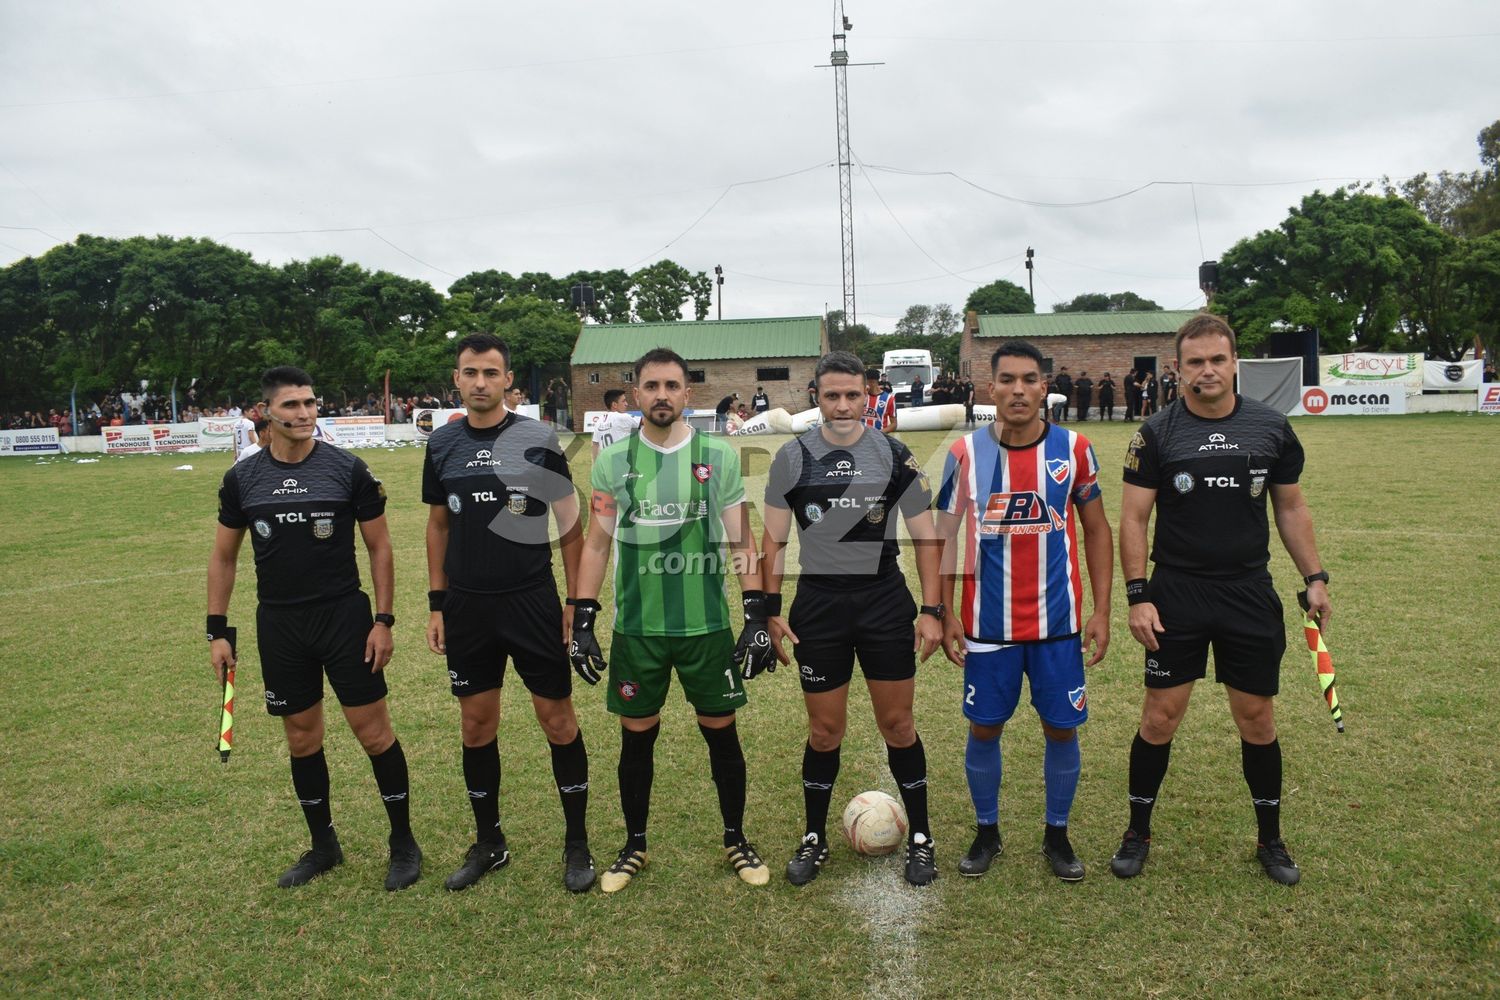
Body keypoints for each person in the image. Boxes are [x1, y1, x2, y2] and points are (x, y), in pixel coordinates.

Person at [1111, 313, 1331, 887]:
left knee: (1257, 719)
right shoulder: (1156, 433)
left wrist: (1315, 575)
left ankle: (1271, 839)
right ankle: (1138, 832)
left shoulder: (1270, 427)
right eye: (1194, 362)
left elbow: (1289, 507)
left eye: (1216, 360)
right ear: (1178, 369)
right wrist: (1138, 597)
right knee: (1160, 717)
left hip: (1248, 592)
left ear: (1234, 363)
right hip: (1177, 591)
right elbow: (1134, 518)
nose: (1205, 371)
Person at [207, 366, 420, 891]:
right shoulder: (243, 478)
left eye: (309, 403)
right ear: (266, 414)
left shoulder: (347, 470)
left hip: (344, 618)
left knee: (373, 733)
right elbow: (224, 557)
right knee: (302, 739)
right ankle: (323, 845)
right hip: (280, 623)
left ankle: (403, 843)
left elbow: (380, 548)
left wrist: (384, 621)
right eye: (291, 406)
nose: (303, 414)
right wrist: (217, 630)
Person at [571, 347, 775, 892]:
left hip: (705, 627)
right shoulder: (614, 461)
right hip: (638, 630)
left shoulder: (718, 454)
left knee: (722, 735)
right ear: (636, 394)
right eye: (651, 386)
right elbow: (596, 544)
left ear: (688, 394)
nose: (662, 395)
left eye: (672, 386)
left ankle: (736, 838)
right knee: (636, 739)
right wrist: (583, 619)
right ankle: (634, 845)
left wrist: (754, 613)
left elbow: (739, 538)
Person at [761, 351, 946, 887]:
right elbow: (772, 541)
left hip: (884, 603)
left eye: (853, 395)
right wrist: (769, 613)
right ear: (815, 399)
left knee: (898, 725)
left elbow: (927, 535)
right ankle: (814, 837)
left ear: (868, 396)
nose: (843, 406)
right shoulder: (792, 458)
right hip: (818, 606)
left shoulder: (894, 453)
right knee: (824, 731)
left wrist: (932, 611)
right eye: (831, 395)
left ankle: (921, 838)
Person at [422, 335, 594, 893]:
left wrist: (574, 603)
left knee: (558, 721)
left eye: (490, 373)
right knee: (476, 725)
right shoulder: (442, 442)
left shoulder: (536, 438)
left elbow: (570, 524)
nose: (479, 382)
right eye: (470, 372)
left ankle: (577, 844)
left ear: (507, 381)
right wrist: (438, 603)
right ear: (457, 379)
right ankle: (489, 841)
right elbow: (438, 525)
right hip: (468, 605)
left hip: (530, 600)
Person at [935, 341, 1112, 882]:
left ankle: (1056, 834)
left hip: (1059, 625)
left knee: (1062, 730)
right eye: (1007, 379)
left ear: (1044, 388)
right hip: (988, 625)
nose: (1018, 389)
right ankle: (987, 831)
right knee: (984, 728)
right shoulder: (964, 452)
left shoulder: (1075, 447)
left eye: (1029, 379)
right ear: (991, 388)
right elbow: (944, 536)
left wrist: (1102, 610)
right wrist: (945, 612)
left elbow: (1097, 529)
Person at [591, 388, 638, 458]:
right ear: (614, 405)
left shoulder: (599, 421)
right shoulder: (623, 417)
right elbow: (648, 423)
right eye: (624, 401)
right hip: (623, 465)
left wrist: (595, 466)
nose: (626, 404)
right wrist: (639, 403)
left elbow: (595, 445)